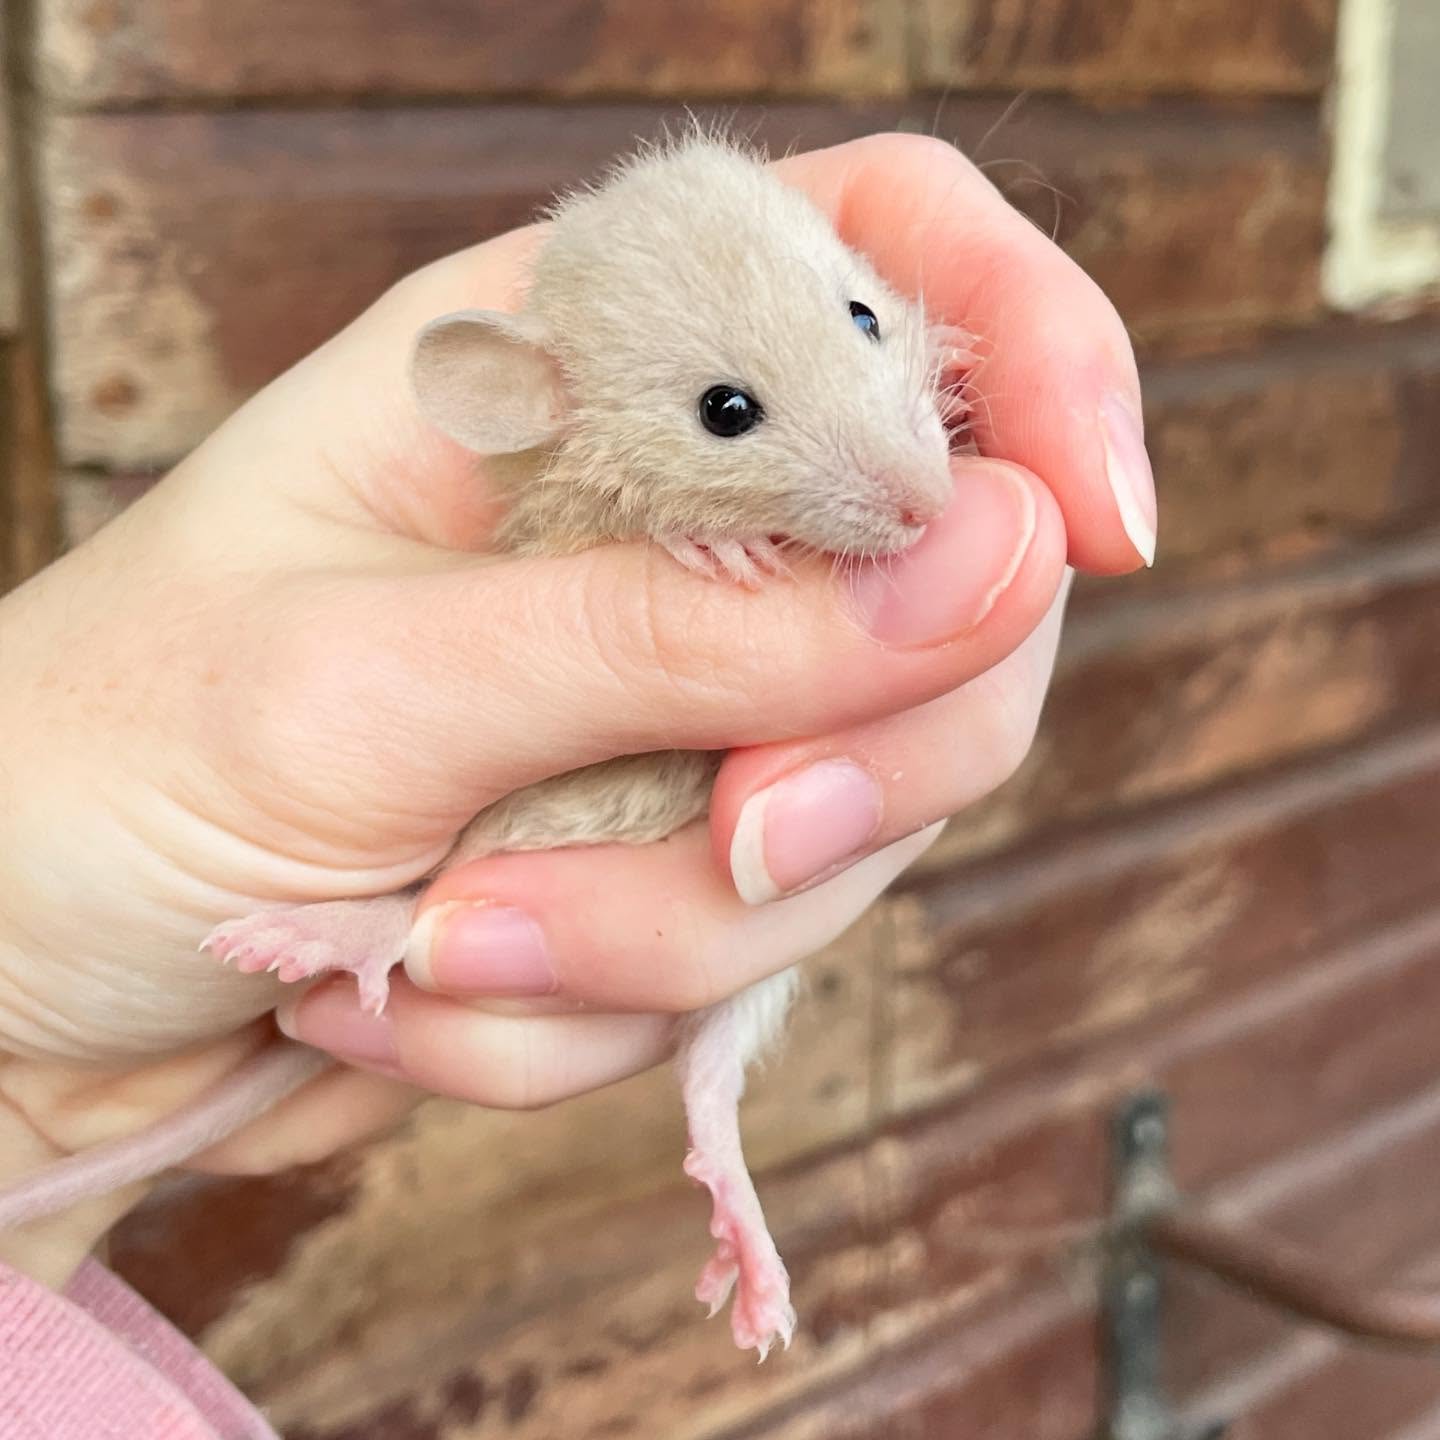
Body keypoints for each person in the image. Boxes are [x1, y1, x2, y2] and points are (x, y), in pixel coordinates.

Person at [0, 132, 1154, 1434]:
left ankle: (715, 1137)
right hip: (515, 832)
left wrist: (32, 1106)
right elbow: (562, 531)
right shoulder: (556, 469)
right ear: (535, 398)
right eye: (730, 413)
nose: (910, 480)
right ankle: (423, 938)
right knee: (654, 877)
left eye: (858, 316)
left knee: (740, 923)